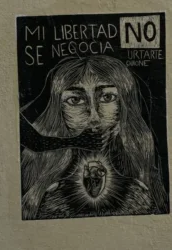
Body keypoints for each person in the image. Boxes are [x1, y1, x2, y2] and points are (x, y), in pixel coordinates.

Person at [21, 55, 168, 219]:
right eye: (75, 100)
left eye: (107, 97)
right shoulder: (43, 185)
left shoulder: (142, 182)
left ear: (124, 105)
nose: (94, 117)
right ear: (58, 110)